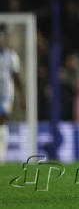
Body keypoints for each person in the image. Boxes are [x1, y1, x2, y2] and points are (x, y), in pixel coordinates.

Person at [0, 24, 25, 164]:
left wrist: (22, 98)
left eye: (1, 38)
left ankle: (1, 156)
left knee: (2, 120)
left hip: (5, 96)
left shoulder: (11, 56)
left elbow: (17, 78)